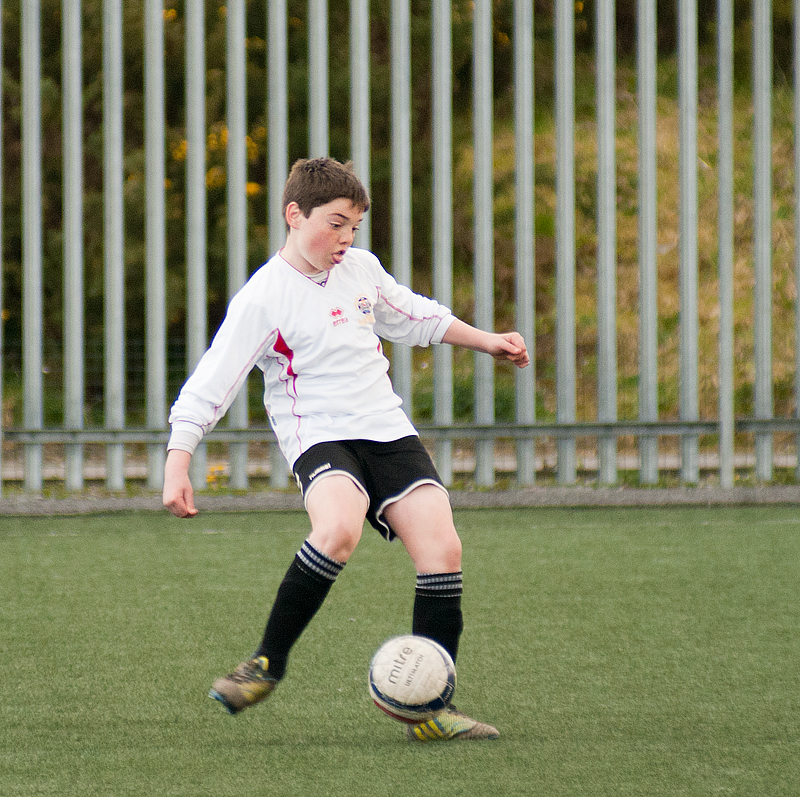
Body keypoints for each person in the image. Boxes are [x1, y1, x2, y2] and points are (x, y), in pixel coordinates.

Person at [163, 157, 529, 742]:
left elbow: (412, 316)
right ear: (294, 214)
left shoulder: (360, 269)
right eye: (335, 223)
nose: (345, 238)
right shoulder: (264, 297)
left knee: (443, 548)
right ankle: (265, 663)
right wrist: (178, 458)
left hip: (385, 427)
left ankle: (432, 709)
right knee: (337, 529)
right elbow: (215, 380)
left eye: (354, 226)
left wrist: (486, 341)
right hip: (319, 433)